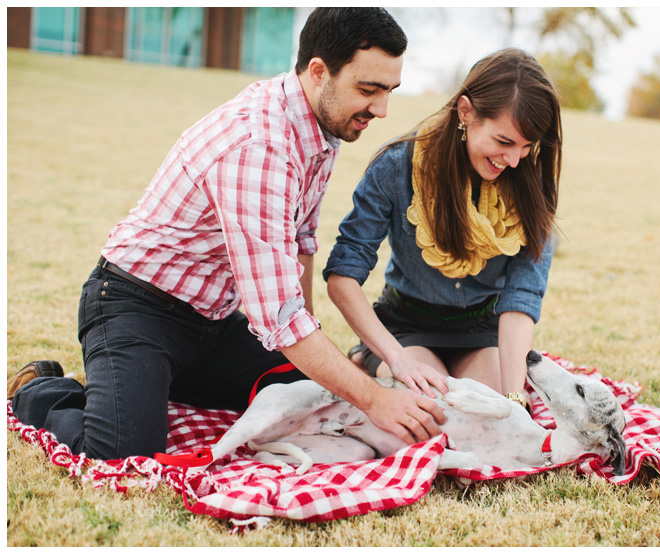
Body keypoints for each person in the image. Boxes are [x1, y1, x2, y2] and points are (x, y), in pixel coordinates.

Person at [7, 7, 445, 461]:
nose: (381, 110)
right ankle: (40, 390)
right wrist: (375, 397)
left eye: (389, 91)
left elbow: (301, 242)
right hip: (136, 306)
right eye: (369, 90)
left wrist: (311, 352)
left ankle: (150, 385)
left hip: (214, 323)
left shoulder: (323, 125)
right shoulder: (259, 145)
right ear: (318, 71)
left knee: (312, 393)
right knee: (123, 454)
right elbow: (279, 317)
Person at [324, 48, 562, 409]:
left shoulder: (533, 185)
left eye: (527, 147)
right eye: (503, 142)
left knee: (490, 417)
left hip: (483, 329)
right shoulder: (395, 167)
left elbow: (520, 299)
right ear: (465, 112)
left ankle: (384, 367)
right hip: (405, 325)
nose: (514, 160)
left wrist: (514, 399)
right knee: (435, 409)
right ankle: (369, 358)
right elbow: (342, 276)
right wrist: (396, 357)